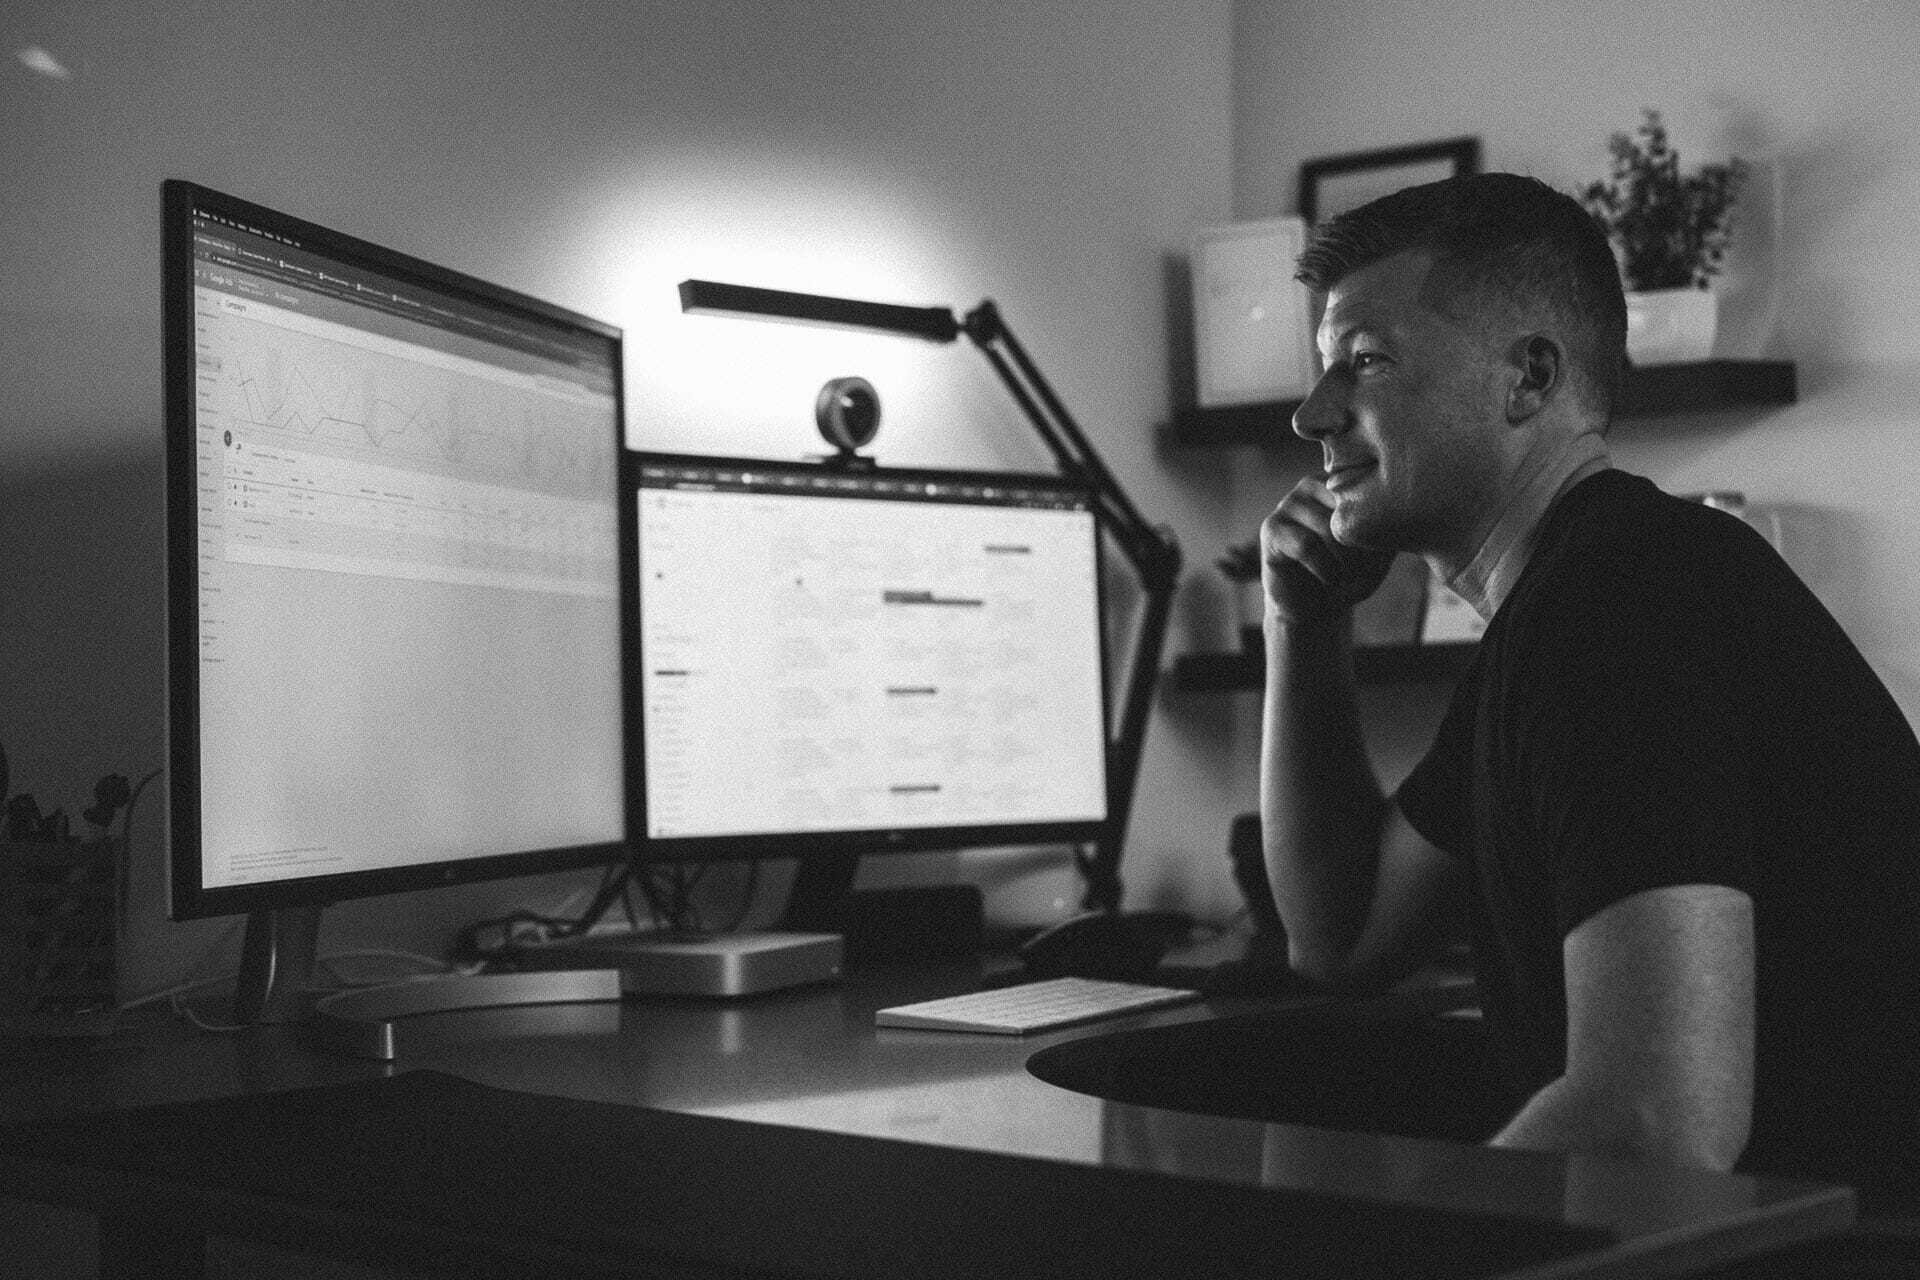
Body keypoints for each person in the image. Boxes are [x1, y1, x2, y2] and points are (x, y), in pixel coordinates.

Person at [1258, 172, 1920, 1198]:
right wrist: (1304, 625)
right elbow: (1341, 934)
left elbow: (1656, 1121)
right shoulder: (1564, 608)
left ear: (1528, 378)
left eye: (1365, 361)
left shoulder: (1620, 606)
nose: (1312, 414)